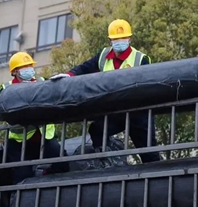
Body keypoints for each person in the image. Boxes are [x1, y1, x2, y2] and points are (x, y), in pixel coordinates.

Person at [50, 19, 161, 163]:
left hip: (137, 112)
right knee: (97, 129)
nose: (120, 41)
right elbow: (85, 68)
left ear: (130, 39)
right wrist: (69, 75)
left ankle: (157, 178)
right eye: (116, 39)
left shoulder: (141, 59)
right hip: (115, 111)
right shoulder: (103, 56)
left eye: (123, 38)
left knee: (148, 151)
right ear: (110, 40)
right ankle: (105, 160)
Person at [0, 52, 69, 185]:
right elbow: (0, 106)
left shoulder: (42, 82)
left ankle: (45, 177)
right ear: (15, 71)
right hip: (19, 141)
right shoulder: (7, 88)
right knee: (22, 174)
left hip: (44, 136)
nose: (29, 69)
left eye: (30, 65)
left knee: (62, 164)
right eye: (25, 66)